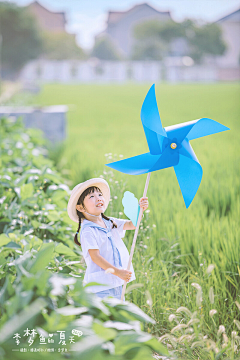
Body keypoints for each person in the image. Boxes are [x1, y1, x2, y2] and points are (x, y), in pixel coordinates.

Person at [67, 178, 148, 301]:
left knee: (117, 315)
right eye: (91, 196)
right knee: (105, 317)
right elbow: (95, 257)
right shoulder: (88, 230)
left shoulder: (110, 222)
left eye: (100, 194)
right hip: (100, 287)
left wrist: (140, 210)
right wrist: (118, 272)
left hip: (116, 283)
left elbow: (133, 225)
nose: (98, 198)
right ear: (80, 208)